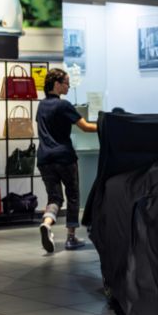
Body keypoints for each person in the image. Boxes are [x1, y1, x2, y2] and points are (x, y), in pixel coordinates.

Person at [36, 68, 97, 253]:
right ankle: (71, 238)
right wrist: (105, 126)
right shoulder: (64, 105)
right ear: (56, 84)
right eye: (66, 83)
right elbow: (85, 127)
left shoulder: (42, 106)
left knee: (54, 198)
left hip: (44, 158)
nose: (68, 86)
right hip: (64, 158)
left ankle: (47, 224)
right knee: (72, 195)